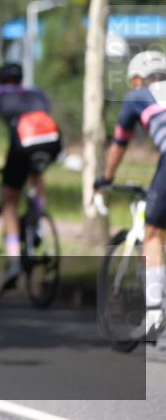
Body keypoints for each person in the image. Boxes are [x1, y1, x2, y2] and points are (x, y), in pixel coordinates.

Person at [0, 62, 62, 289]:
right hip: (52, 142)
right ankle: (37, 220)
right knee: (36, 175)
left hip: (22, 143)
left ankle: (14, 259)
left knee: (9, 200)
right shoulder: (36, 92)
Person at [95, 49, 166, 338]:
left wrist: (105, 179)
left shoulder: (138, 96)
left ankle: (155, 317)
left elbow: (119, 144)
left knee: (153, 233)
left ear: (138, 79)